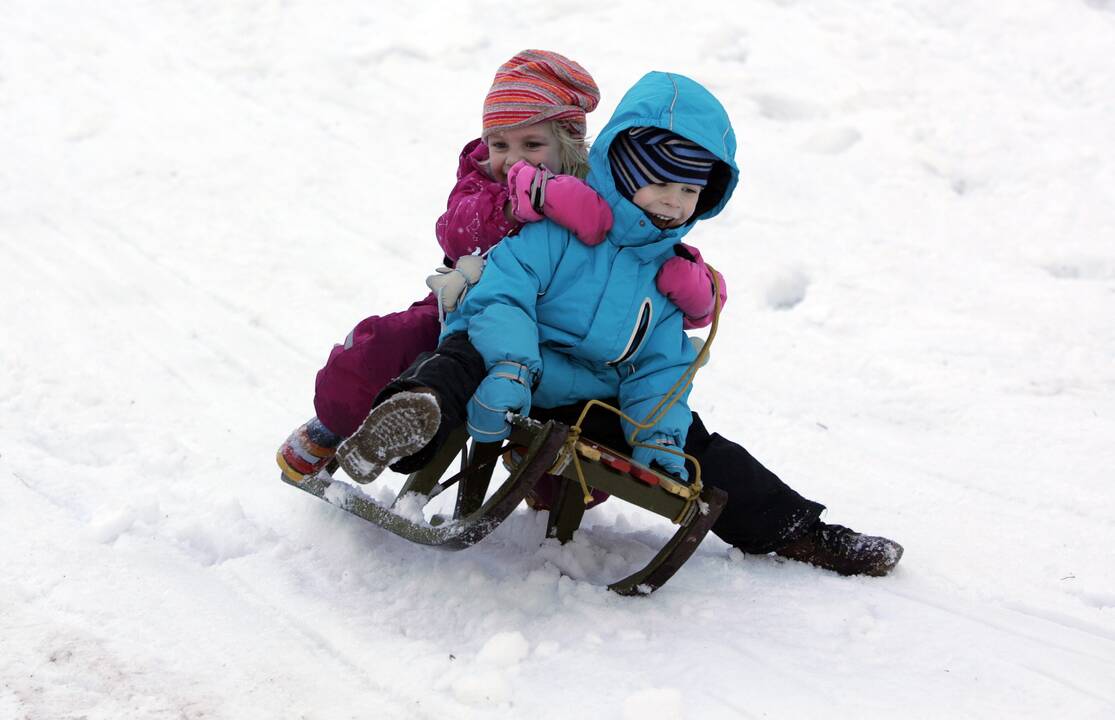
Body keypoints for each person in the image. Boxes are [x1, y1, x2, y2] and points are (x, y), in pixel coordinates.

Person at [332, 69, 904, 577]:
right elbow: (499, 296)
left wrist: (656, 432)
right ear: (623, 170)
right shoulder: (563, 227)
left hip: (586, 401)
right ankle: (407, 428)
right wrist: (511, 362)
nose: (676, 203)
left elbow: (659, 365)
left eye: (690, 191)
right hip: (506, 363)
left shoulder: (668, 276)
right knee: (457, 359)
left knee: (702, 448)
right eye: (662, 182)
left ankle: (803, 532)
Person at [276, 50, 724, 502]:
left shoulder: (598, 190)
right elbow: (455, 231)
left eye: (532, 145)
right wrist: (515, 205)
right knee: (388, 344)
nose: (511, 160)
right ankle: (338, 426)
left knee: (584, 406)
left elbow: (646, 244)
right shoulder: (482, 183)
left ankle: (545, 480)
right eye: (500, 145)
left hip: (548, 333)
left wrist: (703, 286)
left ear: (569, 143)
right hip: (464, 313)